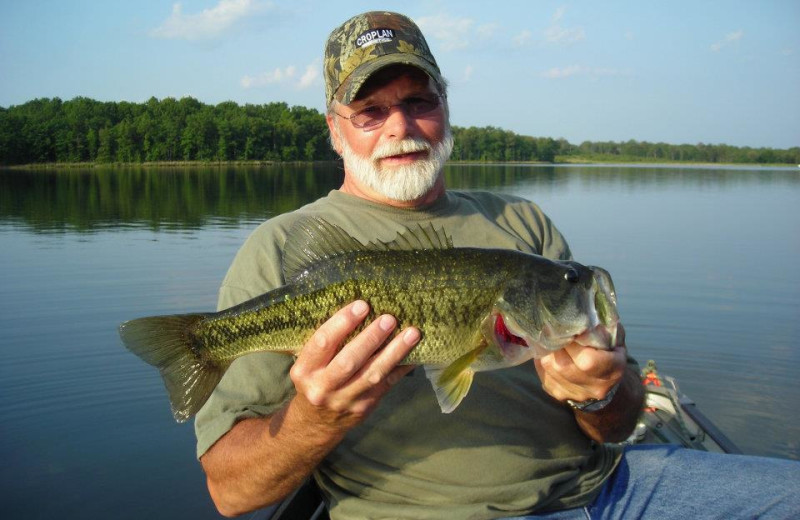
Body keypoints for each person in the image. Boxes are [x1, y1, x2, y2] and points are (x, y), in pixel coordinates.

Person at [195, 11, 800, 520]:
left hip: (612, 493)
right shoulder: (282, 248)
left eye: (417, 101)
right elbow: (230, 491)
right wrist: (313, 420)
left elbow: (620, 424)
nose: (401, 127)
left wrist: (598, 395)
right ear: (335, 130)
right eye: (370, 111)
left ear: (446, 108)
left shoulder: (523, 225)